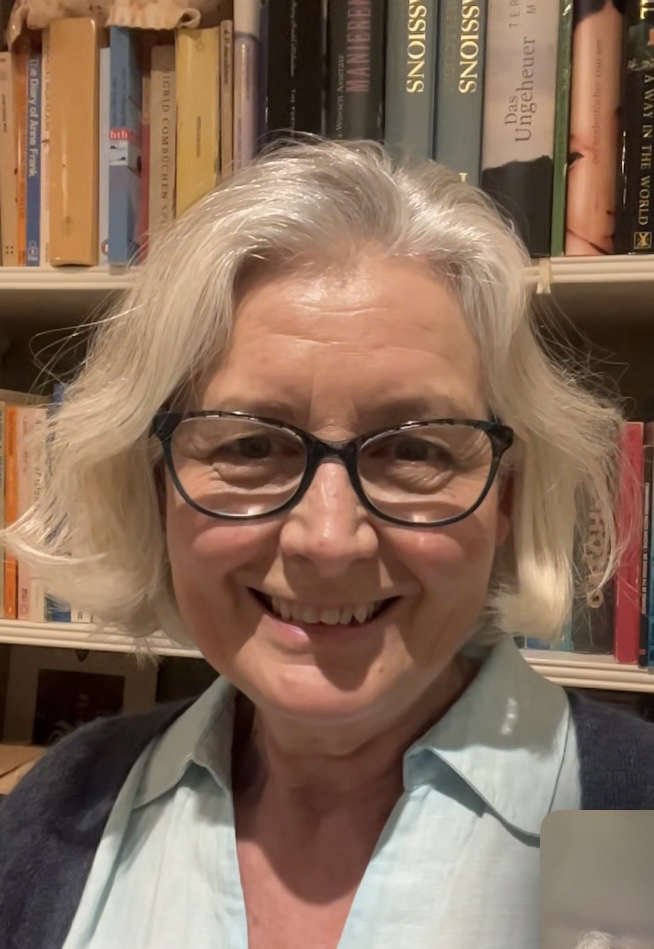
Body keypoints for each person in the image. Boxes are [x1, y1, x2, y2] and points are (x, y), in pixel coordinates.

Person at [1, 138, 654, 949]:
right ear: (155, 483)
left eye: (414, 448)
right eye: (249, 445)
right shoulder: (69, 809)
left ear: (509, 498)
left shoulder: (631, 815)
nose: (330, 540)